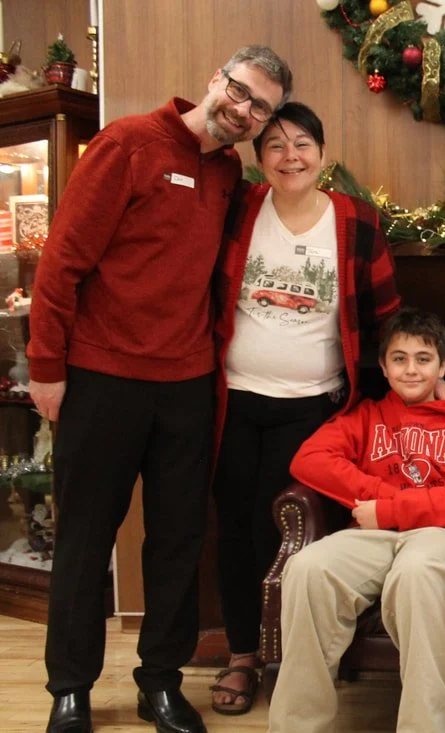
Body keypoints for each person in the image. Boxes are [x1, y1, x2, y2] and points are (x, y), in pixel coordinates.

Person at [28, 46, 291, 733]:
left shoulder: (229, 170)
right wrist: (47, 368)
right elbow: (61, 262)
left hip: (187, 386)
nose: (244, 109)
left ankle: (161, 683)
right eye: (240, 91)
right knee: (86, 538)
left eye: (261, 106)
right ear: (215, 79)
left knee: (178, 539)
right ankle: (71, 687)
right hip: (101, 380)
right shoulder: (128, 143)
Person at [207, 100, 402, 714]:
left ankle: (295, 659)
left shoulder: (356, 224)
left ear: (322, 154)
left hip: (313, 409)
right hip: (231, 400)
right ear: (258, 157)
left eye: (303, 145)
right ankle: (242, 657)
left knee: (292, 534)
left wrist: (423, 384)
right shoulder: (237, 209)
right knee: (234, 529)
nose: (290, 157)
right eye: (275, 146)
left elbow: (389, 323)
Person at [268, 307, 445, 733]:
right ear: (384, 366)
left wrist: (391, 509)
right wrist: (383, 499)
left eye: (423, 359)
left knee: (419, 574)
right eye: (400, 358)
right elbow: (309, 459)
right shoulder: (366, 416)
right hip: (370, 534)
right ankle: (297, 725)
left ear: (443, 365)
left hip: (436, 535)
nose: (411, 369)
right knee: (307, 568)